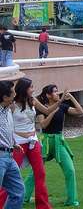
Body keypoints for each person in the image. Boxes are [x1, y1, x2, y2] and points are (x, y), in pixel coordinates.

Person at [0, 78, 67, 209]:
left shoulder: (31, 101)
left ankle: (43, 206)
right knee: (8, 182)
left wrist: (61, 99)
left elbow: (46, 111)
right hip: (16, 143)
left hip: (30, 142)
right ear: (24, 89)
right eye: (31, 87)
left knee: (38, 174)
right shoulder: (10, 105)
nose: (33, 89)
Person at [24, 84, 83, 207]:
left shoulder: (62, 106)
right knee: (35, 172)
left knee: (70, 170)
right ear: (48, 95)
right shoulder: (42, 108)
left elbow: (80, 111)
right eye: (55, 92)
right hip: (45, 141)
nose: (58, 94)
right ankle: (24, 197)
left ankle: (71, 200)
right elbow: (43, 125)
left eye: (58, 92)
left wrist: (71, 97)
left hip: (59, 142)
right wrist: (52, 112)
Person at [0, 80, 24, 209]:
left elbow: (6, 130)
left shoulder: (8, 110)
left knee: (18, 192)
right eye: (13, 93)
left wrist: (13, 143)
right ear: (5, 97)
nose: (15, 95)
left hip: (9, 156)